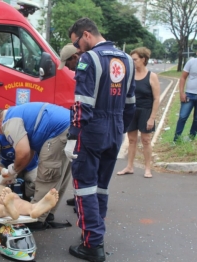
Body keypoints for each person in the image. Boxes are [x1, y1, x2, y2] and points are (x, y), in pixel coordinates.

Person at [66, 18, 136, 261]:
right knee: (102, 186)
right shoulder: (127, 59)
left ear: (86, 35)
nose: (77, 49)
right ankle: (95, 233)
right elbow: (130, 104)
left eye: (76, 43)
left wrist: (73, 136)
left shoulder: (90, 59)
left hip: (93, 128)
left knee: (84, 186)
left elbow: (82, 104)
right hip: (115, 128)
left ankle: (93, 244)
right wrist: (118, 129)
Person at [0, 102, 72, 230]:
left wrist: (12, 170)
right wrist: (17, 169)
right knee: (60, 172)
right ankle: (49, 213)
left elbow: (23, 152)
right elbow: (30, 151)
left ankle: (36, 219)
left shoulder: (9, 122)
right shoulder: (19, 112)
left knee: (47, 175)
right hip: (72, 125)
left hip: (58, 131)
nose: (0, 133)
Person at [117, 47, 160, 178]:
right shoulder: (129, 75)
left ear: (143, 59)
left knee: (146, 140)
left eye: (135, 59)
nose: (132, 61)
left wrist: (152, 118)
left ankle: (148, 168)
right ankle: (129, 166)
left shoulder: (152, 76)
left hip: (146, 111)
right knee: (131, 140)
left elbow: (157, 98)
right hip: (132, 110)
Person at [0, 131, 38, 199]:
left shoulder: (27, 131)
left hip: (29, 166)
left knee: (39, 180)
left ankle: (27, 195)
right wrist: (2, 170)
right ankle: (2, 193)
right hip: (7, 166)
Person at [58, 43, 80, 207]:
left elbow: (82, 104)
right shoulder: (81, 71)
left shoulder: (86, 70)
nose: (69, 68)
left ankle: (82, 200)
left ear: (75, 57)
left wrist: (73, 135)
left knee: (82, 165)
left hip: (88, 124)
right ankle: (80, 197)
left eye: (68, 63)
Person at [173, 54, 197, 142]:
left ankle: (191, 138)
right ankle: (176, 139)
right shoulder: (191, 62)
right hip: (189, 95)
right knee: (183, 117)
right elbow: (183, 77)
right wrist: (181, 93)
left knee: (196, 119)